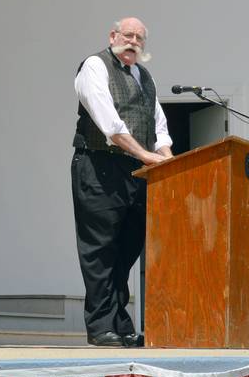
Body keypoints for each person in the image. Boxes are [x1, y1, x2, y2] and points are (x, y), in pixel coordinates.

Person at [71, 17, 173, 347]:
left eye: (139, 39)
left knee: (127, 249)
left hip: (135, 171)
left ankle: (119, 320)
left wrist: (169, 158)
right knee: (100, 249)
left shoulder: (144, 76)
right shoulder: (94, 66)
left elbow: (158, 125)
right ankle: (101, 326)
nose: (133, 42)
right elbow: (109, 125)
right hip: (99, 166)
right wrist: (147, 156)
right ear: (113, 36)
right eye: (127, 35)